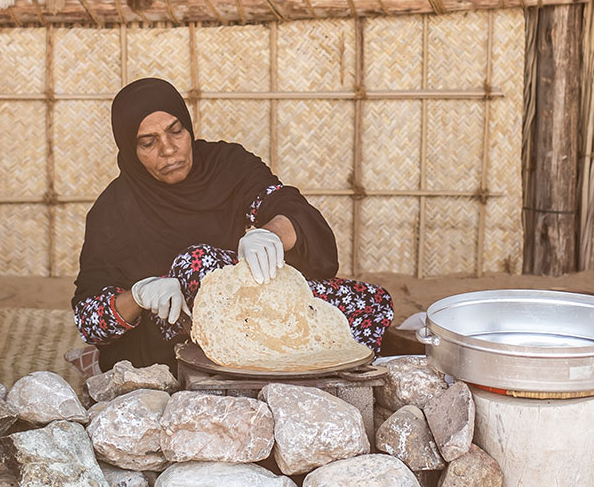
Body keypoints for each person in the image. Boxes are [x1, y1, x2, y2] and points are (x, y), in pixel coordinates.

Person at [71, 78, 394, 370]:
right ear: (130, 148)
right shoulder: (112, 212)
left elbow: (286, 205)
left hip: (253, 314)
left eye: (175, 131)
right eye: (148, 142)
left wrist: (270, 235)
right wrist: (140, 295)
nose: (168, 149)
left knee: (371, 303)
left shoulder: (225, 166)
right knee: (197, 263)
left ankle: (281, 359)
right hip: (169, 337)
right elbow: (90, 320)